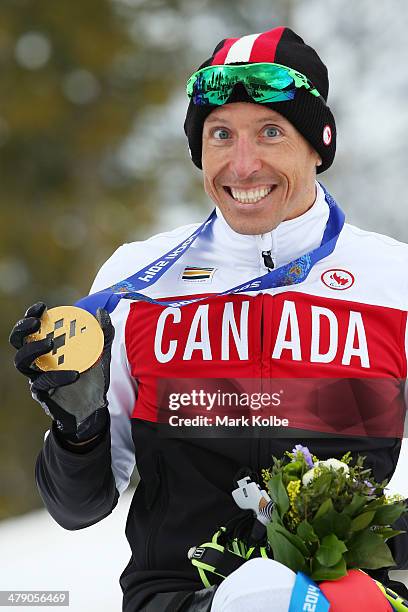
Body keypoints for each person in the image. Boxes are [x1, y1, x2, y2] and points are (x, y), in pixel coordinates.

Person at [9, 26, 408, 611]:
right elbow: (77, 509)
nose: (242, 166)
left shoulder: (392, 280)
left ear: (317, 144)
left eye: (270, 132)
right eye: (221, 135)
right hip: (173, 600)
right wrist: (78, 429)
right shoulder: (138, 280)